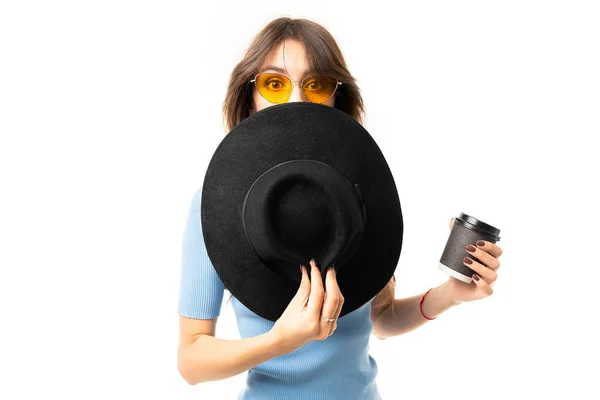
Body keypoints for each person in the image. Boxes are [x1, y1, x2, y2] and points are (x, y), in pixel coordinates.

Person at [177, 17, 503, 400]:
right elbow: (192, 360)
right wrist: (279, 342)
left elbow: (380, 319)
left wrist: (451, 293)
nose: (297, 101)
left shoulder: (361, 190)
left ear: (336, 97)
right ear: (250, 95)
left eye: (315, 85)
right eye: (275, 84)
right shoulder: (215, 201)